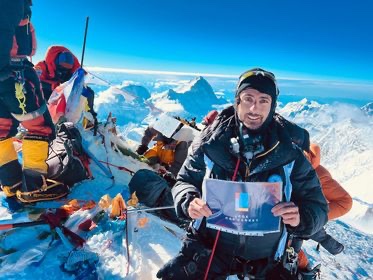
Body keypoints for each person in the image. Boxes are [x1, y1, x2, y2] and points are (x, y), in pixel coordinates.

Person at [156, 68, 328, 279]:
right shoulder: (210, 144)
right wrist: (188, 200)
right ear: (237, 101)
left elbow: (318, 207)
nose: (255, 108)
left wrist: (301, 216)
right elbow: (184, 181)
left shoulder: (290, 154)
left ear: (272, 106)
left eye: (264, 100)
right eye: (248, 98)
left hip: (268, 260)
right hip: (208, 249)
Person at [0, 0, 68, 203]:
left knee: (2, 129)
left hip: (6, 72)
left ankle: (11, 183)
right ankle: (34, 186)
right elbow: (3, 27)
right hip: (13, 72)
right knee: (40, 128)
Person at [296, 143, 352, 271]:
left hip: (292, 227)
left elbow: (345, 202)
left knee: (293, 260)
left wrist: (313, 217)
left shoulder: (317, 174)